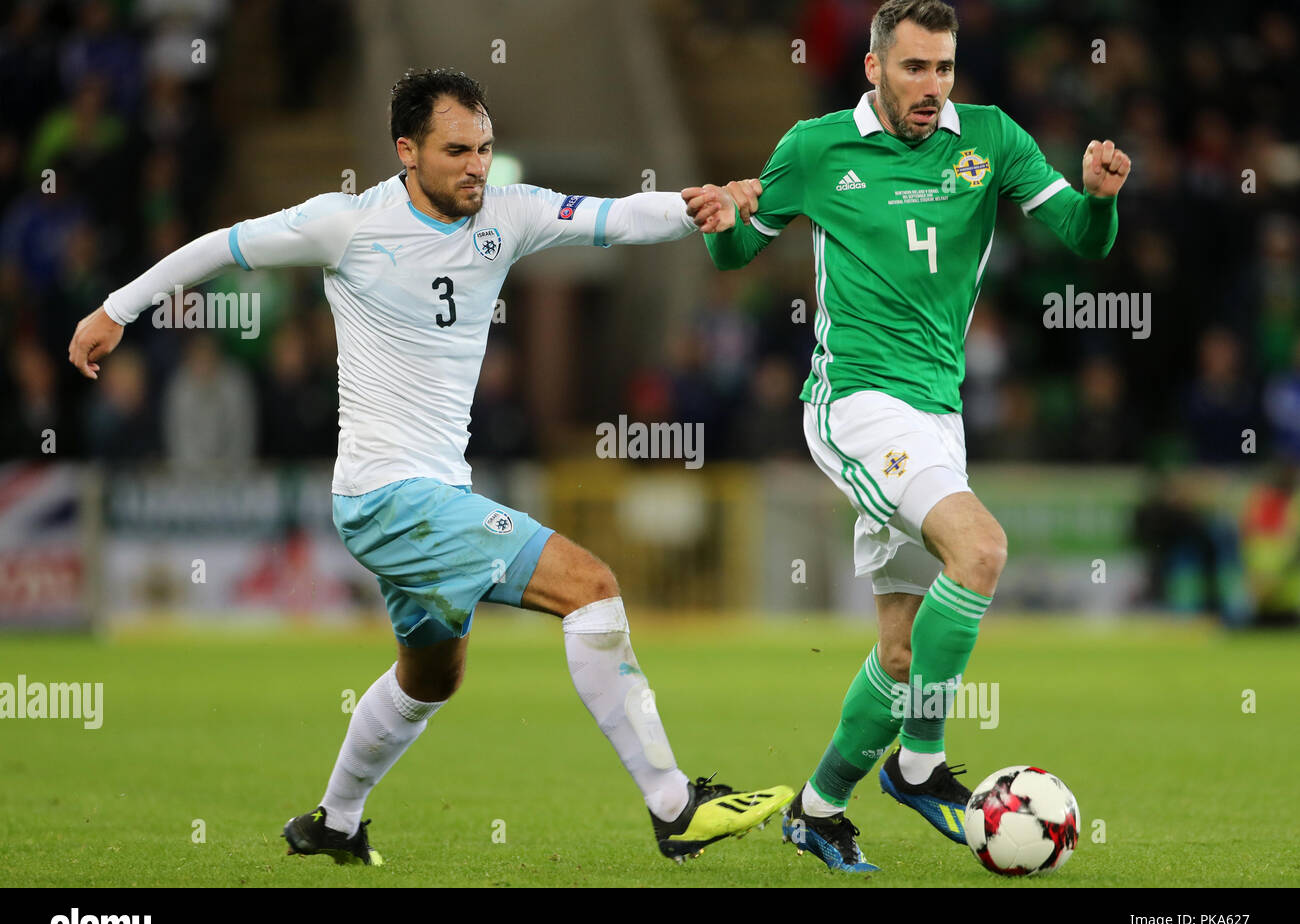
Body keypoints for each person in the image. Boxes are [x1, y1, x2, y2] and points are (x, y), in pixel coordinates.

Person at [68, 68, 792, 866]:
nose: (477, 165)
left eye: (485, 147)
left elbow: (618, 219)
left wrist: (700, 206)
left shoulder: (508, 214)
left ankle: (335, 822)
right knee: (590, 585)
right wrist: (115, 310)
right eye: (457, 150)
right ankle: (674, 805)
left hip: (435, 494)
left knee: (431, 677)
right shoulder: (346, 224)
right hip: (386, 494)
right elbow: (221, 246)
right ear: (407, 151)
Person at [684, 0, 1128, 872]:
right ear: (874, 69)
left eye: (945, 68)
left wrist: (1103, 201)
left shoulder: (991, 139)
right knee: (983, 551)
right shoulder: (815, 149)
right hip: (853, 403)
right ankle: (920, 765)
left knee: (899, 651)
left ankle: (818, 806)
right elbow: (736, 259)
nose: (933, 87)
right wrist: (725, 225)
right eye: (915, 68)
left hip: (937, 413)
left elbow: (1081, 236)